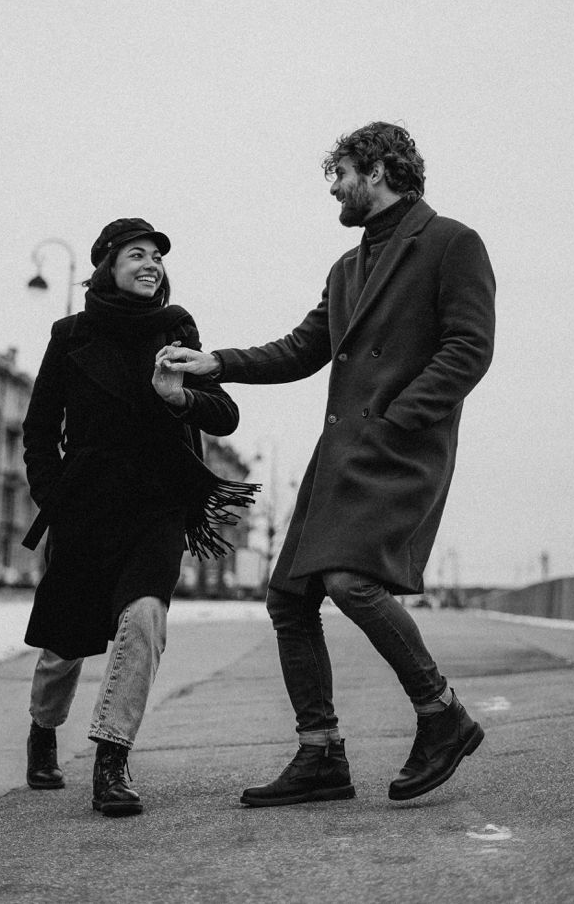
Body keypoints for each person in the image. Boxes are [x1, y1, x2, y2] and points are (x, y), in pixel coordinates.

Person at [157, 122, 496, 805]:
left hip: (399, 450)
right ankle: (321, 753)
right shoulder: (347, 268)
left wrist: (399, 418)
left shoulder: (452, 243)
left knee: (351, 581)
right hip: (341, 456)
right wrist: (216, 364)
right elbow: (302, 348)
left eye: (339, 174)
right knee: (288, 597)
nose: (333, 189)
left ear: (376, 169)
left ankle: (441, 713)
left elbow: (468, 347)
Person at [21, 218, 258, 817]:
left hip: (157, 499)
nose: (150, 263)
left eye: (156, 255)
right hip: (86, 502)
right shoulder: (69, 333)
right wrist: (53, 495)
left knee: (145, 618)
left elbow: (224, 414)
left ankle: (111, 758)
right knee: (63, 641)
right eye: (136, 254)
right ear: (107, 265)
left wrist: (179, 396)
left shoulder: (176, 328)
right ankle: (44, 730)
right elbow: (40, 428)